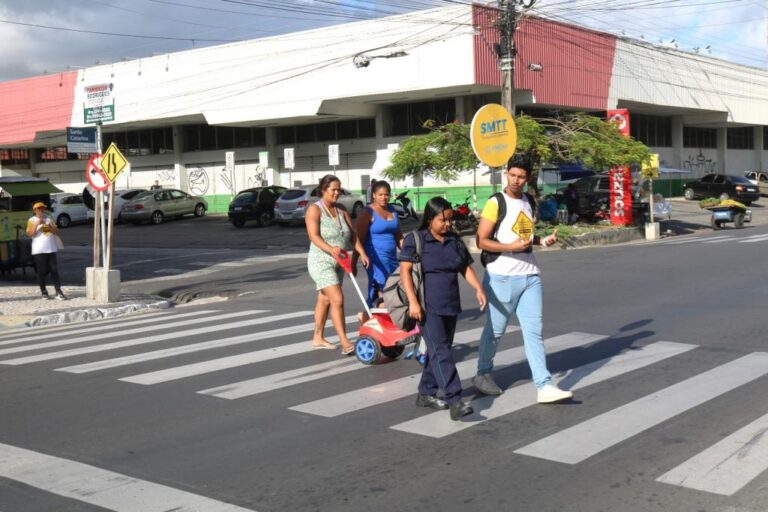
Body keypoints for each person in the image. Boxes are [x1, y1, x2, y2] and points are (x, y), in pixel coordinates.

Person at [474, 153, 572, 403]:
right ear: (507, 173)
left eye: (522, 176)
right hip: (502, 278)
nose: (516, 180)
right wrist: (510, 247)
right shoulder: (496, 202)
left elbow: (523, 236)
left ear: (528, 178)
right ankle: (483, 373)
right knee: (495, 332)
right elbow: (481, 240)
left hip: (530, 276)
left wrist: (541, 240)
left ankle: (544, 385)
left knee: (534, 332)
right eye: (513, 175)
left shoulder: (528, 200)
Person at [400, 197, 486, 421]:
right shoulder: (416, 240)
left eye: (450, 219)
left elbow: (464, 268)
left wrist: (478, 288)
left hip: (450, 305)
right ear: (430, 218)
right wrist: (413, 302)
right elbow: (405, 272)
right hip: (427, 307)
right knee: (441, 351)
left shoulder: (454, 241)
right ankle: (455, 399)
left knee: (440, 350)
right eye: (442, 220)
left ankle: (426, 392)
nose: (447, 224)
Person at [306, 175, 369, 354]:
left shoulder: (341, 210)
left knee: (325, 299)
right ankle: (345, 342)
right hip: (321, 261)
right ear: (323, 190)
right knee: (337, 299)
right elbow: (314, 236)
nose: (336, 193)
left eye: (338, 190)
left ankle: (317, 337)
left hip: (340, 261)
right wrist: (330, 248)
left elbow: (352, 235)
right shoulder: (314, 210)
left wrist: (362, 252)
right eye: (333, 190)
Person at [354, 180, 402, 308]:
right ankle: (374, 316)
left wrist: (409, 252)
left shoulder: (392, 210)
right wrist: (353, 262)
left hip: (391, 256)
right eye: (380, 194)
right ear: (373, 195)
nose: (384, 197)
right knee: (382, 289)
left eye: (386, 194)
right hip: (374, 257)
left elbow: (398, 235)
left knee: (393, 287)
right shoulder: (367, 212)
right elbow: (358, 239)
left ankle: (367, 316)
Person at [25, 202, 67, 301]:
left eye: (43, 208)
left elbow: (57, 232)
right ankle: (44, 292)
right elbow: (30, 234)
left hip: (51, 249)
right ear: (34, 210)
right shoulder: (31, 220)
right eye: (39, 209)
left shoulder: (49, 218)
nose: (41, 210)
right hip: (38, 251)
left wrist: (50, 228)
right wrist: (36, 224)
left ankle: (58, 292)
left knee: (54, 271)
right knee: (42, 272)